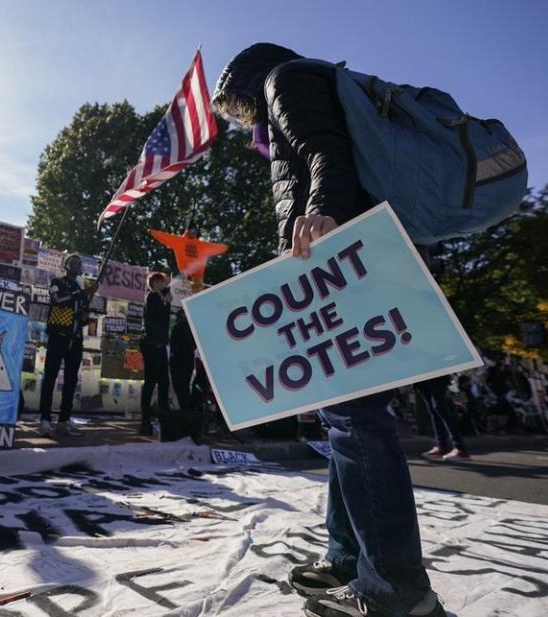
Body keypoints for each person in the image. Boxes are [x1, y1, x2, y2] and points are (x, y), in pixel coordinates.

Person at [213, 43, 445, 617]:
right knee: (343, 415)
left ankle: (396, 592)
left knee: (355, 419)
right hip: (361, 250)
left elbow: (324, 149)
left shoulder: (287, 80)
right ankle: (349, 561)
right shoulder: (313, 82)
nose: (246, 128)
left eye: (239, 110)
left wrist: (323, 211)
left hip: (344, 252)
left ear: (247, 82)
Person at [38, 254, 93, 436]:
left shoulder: (78, 287)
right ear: (66, 266)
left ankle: (64, 420)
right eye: (74, 262)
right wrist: (82, 294)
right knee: (50, 377)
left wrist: (85, 317)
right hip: (58, 336)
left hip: (76, 339)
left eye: (79, 263)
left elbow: (82, 314)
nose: (77, 265)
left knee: (71, 381)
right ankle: (45, 419)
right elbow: (58, 300)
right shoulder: (57, 282)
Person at [140, 272, 171, 436]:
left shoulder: (159, 298)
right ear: (153, 283)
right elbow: (161, 316)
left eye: (163, 282)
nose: (162, 284)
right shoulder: (152, 297)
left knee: (164, 382)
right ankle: (146, 420)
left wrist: (166, 301)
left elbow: (164, 320)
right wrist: (167, 303)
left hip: (159, 345)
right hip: (151, 345)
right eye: (159, 282)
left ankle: (163, 417)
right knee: (151, 382)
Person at [417, 375, 471, 461]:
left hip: (435, 373)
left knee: (439, 408)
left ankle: (460, 448)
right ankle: (442, 446)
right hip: (420, 377)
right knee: (433, 410)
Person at [169, 308, 196, 413]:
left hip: (178, 362)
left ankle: (185, 411)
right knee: (185, 386)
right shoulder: (191, 329)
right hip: (188, 360)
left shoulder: (177, 328)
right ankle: (188, 411)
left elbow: (174, 347)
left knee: (180, 387)